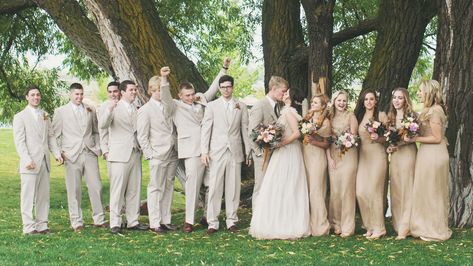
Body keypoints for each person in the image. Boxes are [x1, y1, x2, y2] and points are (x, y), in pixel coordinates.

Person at [161, 58, 230, 233]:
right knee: (192, 185)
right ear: (180, 96)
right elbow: (165, 98)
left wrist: (224, 69)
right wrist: (164, 80)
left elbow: (214, 89)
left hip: (210, 148)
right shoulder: (174, 106)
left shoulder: (201, 100)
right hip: (191, 151)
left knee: (212, 184)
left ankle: (208, 216)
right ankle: (189, 220)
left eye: (192, 94)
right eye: (187, 95)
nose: (191, 97)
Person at [249, 89, 310, 240]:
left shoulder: (289, 112)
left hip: (288, 151)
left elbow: (296, 134)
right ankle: (277, 220)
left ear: (291, 96)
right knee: (279, 185)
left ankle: (287, 223)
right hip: (283, 152)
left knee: (287, 184)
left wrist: (280, 144)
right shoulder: (285, 111)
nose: (284, 93)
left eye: (287, 92)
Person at [52, 83, 107, 232]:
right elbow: (54, 135)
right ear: (70, 94)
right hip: (71, 155)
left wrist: (98, 147)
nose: (79, 97)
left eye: (81, 94)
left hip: (89, 152)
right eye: (76, 94)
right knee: (74, 189)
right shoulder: (61, 111)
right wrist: (59, 153)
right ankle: (77, 222)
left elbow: (96, 131)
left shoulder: (90, 109)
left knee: (96, 186)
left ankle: (99, 219)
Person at [201, 75, 251, 234]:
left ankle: (232, 220)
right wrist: (204, 151)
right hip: (217, 151)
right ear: (219, 88)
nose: (225, 90)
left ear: (233, 87)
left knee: (233, 186)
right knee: (215, 186)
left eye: (228, 87)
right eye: (222, 87)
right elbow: (206, 129)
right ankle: (212, 222)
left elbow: (245, 129)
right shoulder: (212, 106)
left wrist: (248, 150)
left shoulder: (241, 106)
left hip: (235, 151)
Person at [99, 80, 148, 234]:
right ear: (123, 92)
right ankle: (115, 222)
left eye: (135, 89)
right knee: (118, 190)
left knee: (134, 189)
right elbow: (103, 125)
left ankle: (133, 221)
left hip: (135, 153)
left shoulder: (136, 108)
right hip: (119, 154)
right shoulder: (113, 106)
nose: (134, 92)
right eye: (131, 90)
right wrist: (109, 109)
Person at [406, 80, 452, 241]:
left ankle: (435, 229)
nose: (418, 93)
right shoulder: (428, 110)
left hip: (434, 154)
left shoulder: (436, 111)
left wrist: (414, 139)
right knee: (425, 190)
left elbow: (437, 137)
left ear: (429, 92)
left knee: (433, 192)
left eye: (420, 91)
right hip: (426, 153)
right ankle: (423, 226)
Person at [13, 85, 63, 235]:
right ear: (27, 97)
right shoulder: (19, 117)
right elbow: (20, 141)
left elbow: (51, 137)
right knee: (28, 196)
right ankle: (28, 227)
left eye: (38, 95)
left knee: (43, 195)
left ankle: (42, 225)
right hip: (29, 163)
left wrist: (57, 153)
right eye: (33, 95)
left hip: (44, 162)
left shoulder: (45, 115)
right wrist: (27, 159)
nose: (36, 97)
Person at [137, 67, 178, 233]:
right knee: (155, 188)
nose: (160, 93)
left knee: (169, 186)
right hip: (157, 154)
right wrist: (150, 155)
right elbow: (142, 136)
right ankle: (154, 222)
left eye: (162, 90)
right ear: (151, 91)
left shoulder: (169, 106)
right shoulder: (145, 110)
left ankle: (165, 219)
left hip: (172, 152)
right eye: (157, 91)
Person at [248, 76, 288, 208]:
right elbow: (252, 132)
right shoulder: (260, 106)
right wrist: (259, 153)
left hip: (274, 154)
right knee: (260, 186)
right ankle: (255, 221)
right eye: (283, 91)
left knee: (271, 186)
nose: (284, 94)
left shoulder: (278, 106)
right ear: (274, 88)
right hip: (263, 155)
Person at [353, 89, 388, 239]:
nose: (369, 101)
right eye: (366, 99)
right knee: (360, 192)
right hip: (363, 157)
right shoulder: (359, 116)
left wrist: (378, 137)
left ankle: (379, 228)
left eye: (371, 99)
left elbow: (388, 137)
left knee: (375, 191)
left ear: (376, 101)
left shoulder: (381, 115)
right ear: (363, 101)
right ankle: (369, 225)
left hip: (378, 156)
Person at [386, 87, 417, 240]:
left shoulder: (411, 117)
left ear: (406, 100)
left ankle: (406, 226)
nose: (396, 101)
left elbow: (413, 137)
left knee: (408, 188)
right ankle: (398, 225)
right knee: (396, 189)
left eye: (400, 98)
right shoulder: (390, 118)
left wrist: (400, 144)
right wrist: (391, 146)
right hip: (396, 156)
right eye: (395, 98)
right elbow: (389, 138)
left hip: (408, 155)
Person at [326, 91, 358, 237]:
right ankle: (336, 224)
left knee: (347, 190)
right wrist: (329, 158)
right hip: (333, 155)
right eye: (339, 100)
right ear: (334, 101)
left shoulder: (351, 116)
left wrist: (346, 141)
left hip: (348, 155)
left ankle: (348, 226)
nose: (341, 103)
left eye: (344, 101)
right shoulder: (328, 116)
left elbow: (354, 136)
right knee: (335, 191)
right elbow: (326, 139)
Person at [302, 93, 331, 236]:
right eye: (312, 102)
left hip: (317, 157)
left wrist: (314, 141)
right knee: (307, 189)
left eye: (316, 103)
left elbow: (326, 144)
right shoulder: (307, 118)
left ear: (323, 106)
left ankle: (320, 226)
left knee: (316, 190)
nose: (313, 105)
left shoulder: (325, 122)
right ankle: (308, 223)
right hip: (306, 155)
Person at [98, 81, 120, 162]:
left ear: (120, 92)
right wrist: (105, 151)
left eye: (115, 91)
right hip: (111, 150)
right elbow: (102, 131)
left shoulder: (126, 104)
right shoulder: (104, 106)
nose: (112, 94)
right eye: (110, 92)